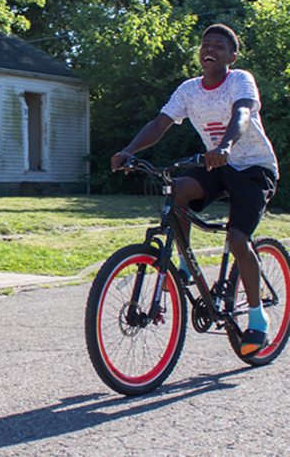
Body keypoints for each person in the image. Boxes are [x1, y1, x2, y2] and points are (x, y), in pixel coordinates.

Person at [111, 24, 278, 358]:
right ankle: (185, 266)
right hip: (218, 165)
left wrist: (226, 145)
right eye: (205, 44)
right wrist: (129, 151)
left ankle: (258, 318)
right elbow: (160, 124)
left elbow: (242, 113)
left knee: (237, 239)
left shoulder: (239, 79)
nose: (210, 49)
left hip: (254, 168)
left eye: (218, 45)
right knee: (178, 190)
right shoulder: (189, 90)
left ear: (232, 55)